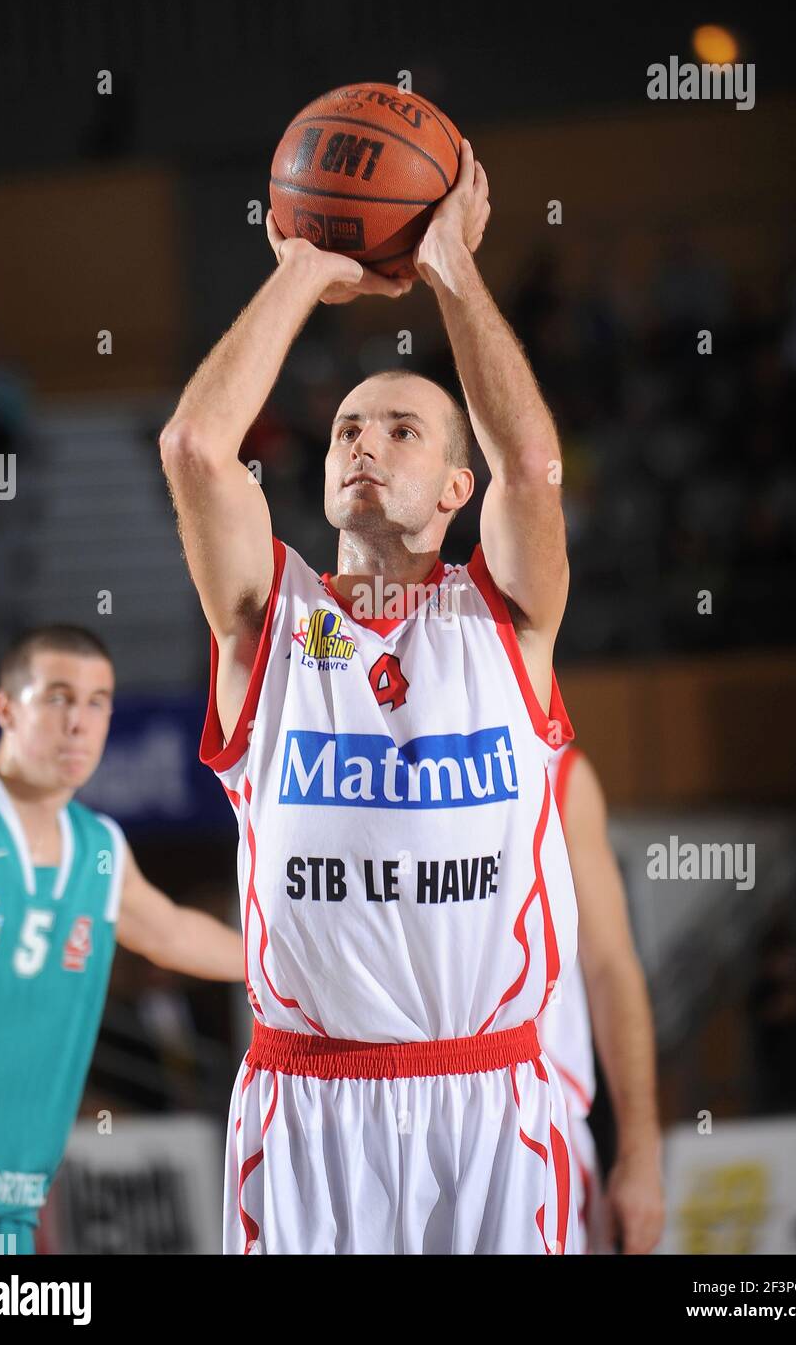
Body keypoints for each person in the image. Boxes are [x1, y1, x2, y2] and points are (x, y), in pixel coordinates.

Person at [160, 138, 586, 1255]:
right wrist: (303, 263)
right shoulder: (271, 622)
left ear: (457, 487)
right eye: (349, 425)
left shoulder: (508, 621)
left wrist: (451, 269)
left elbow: (534, 469)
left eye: (402, 429)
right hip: (309, 1104)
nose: (364, 443)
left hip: (488, 1100)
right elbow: (198, 447)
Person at [0, 624, 244, 1255]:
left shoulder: (99, 846)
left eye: (97, 701)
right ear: (5, 709)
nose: (78, 722)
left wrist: (298, 967)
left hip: (12, 1206)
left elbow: (171, 933)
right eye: (56, 697)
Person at [536, 744, 665, 1254]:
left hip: (540, 1139)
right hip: (361, 1122)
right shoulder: (339, 759)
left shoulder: (556, 773)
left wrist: (639, 1153)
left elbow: (612, 967)